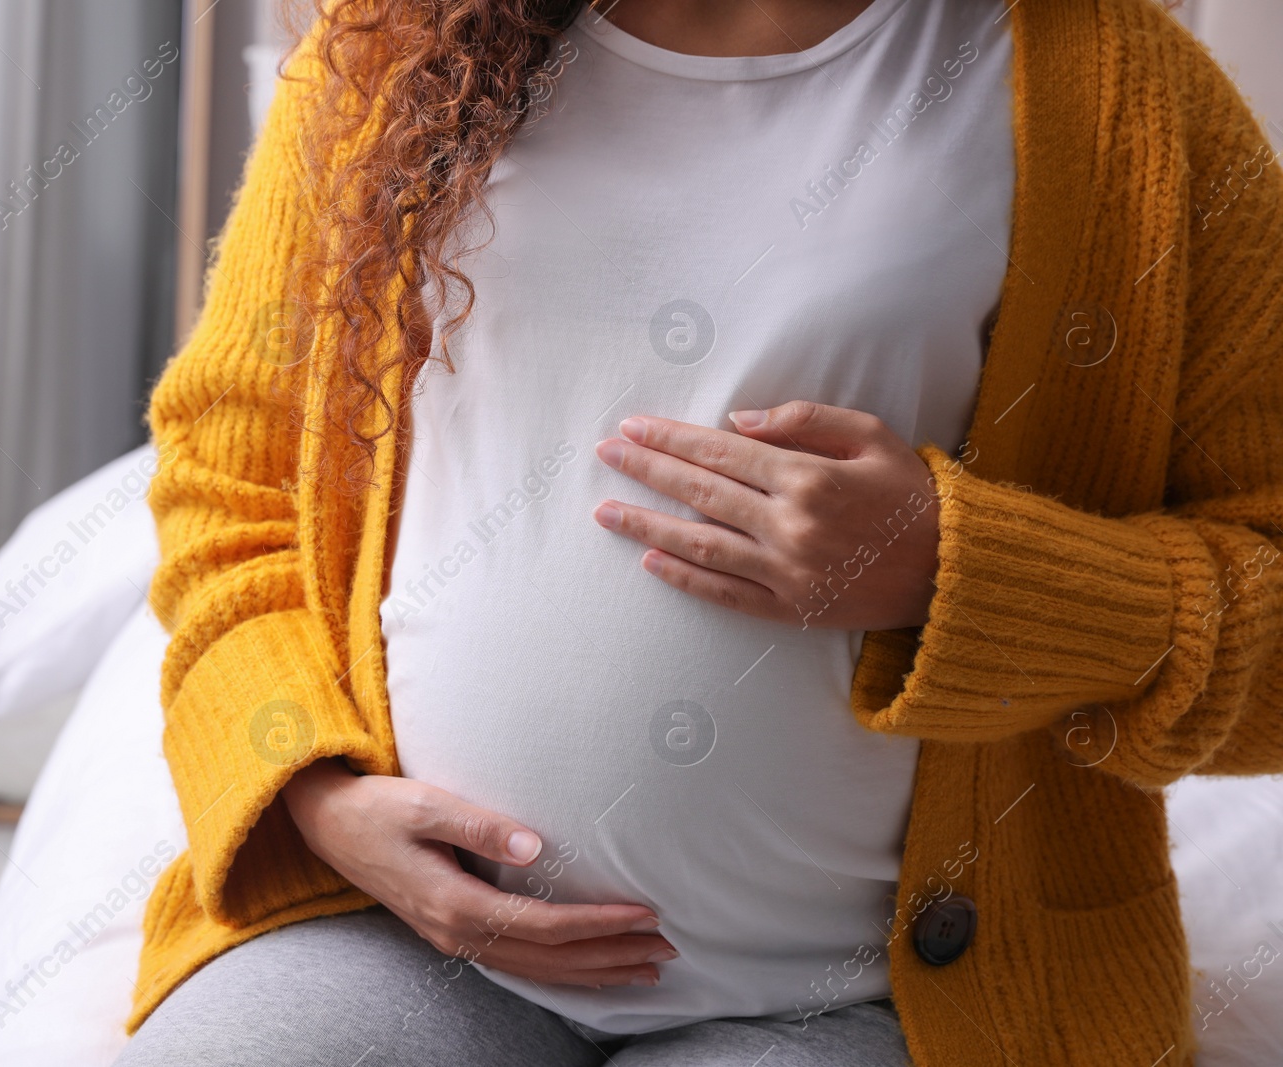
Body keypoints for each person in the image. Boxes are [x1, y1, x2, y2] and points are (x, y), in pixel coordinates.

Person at [115, 0, 1283, 1064]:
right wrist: (316, 799)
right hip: (392, 928)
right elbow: (230, 475)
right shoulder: (395, 47)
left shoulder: (1121, 98)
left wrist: (957, 572)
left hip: (854, 998)